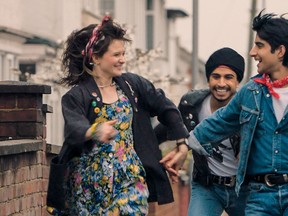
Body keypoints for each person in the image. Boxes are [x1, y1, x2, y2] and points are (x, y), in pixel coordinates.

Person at [56, 16, 189, 215]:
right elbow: (73, 127)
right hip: (88, 186)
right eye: (116, 54)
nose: (123, 60)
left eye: (124, 53)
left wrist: (182, 142)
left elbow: (165, 107)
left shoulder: (132, 85)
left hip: (130, 179)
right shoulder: (76, 96)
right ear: (95, 57)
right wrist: (95, 129)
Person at [181, 10, 288, 215]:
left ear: (280, 51)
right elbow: (219, 123)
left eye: (259, 45)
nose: (252, 52)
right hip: (260, 197)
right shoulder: (251, 92)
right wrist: (183, 145)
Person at [156, 47, 249, 215]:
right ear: (208, 79)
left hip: (243, 189)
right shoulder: (191, 105)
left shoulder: (249, 109)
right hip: (207, 187)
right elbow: (168, 128)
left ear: (238, 82)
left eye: (228, 77)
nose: (221, 83)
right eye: (216, 77)